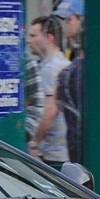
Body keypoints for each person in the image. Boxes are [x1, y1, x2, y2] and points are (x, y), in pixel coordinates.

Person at [27, 16, 71, 163]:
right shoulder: (65, 64)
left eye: (33, 36)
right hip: (65, 147)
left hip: (52, 151)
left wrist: (34, 143)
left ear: (49, 38)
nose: (29, 41)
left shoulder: (49, 69)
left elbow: (49, 110)